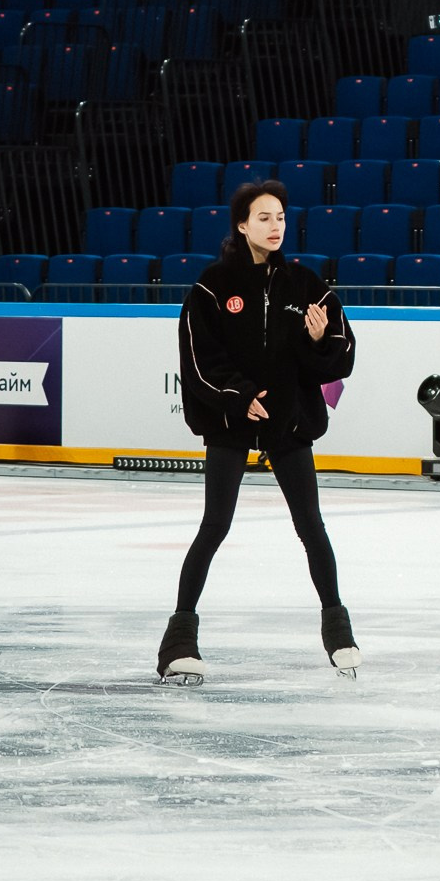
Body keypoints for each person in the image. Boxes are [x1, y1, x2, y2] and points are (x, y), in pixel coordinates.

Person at [162, 179, 358, 685]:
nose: (275, 226)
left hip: (289, 425)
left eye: (281, 218)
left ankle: (339, 633)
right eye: (264, 218)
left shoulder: (307, 285)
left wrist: (319, 341)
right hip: (231, 424)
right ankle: (178, 643)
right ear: (243, 225)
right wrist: (238, 396)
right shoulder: (211, 286)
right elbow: (199, 360)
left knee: (311, 527)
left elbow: (342, 354)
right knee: (214, 527)